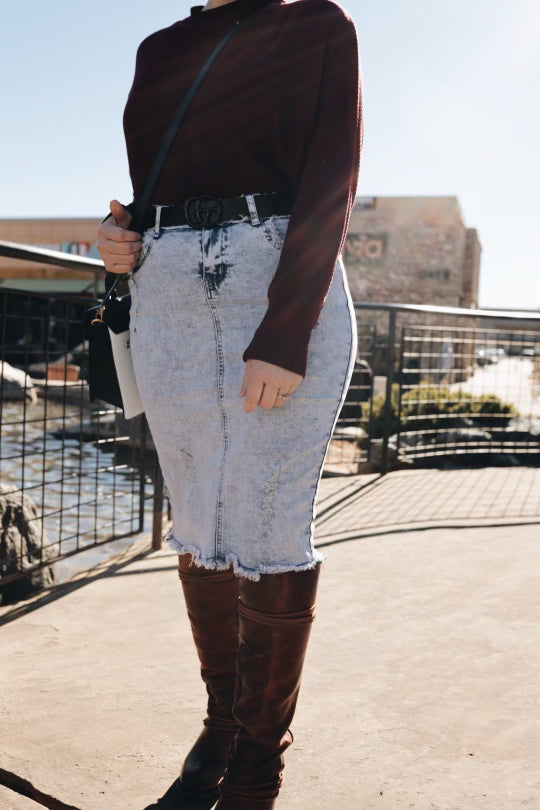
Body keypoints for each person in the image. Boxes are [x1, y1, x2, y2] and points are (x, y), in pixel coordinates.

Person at [97, 0, 364, 806]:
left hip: (271, 276)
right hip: (167, 292)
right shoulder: (159, 49)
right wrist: (120, 242)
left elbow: (331, 178)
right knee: (200, 524)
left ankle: (258, 755)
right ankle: (221, 721)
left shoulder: (318, 24)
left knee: (271, 522)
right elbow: (153, 189)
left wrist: (285, 331)